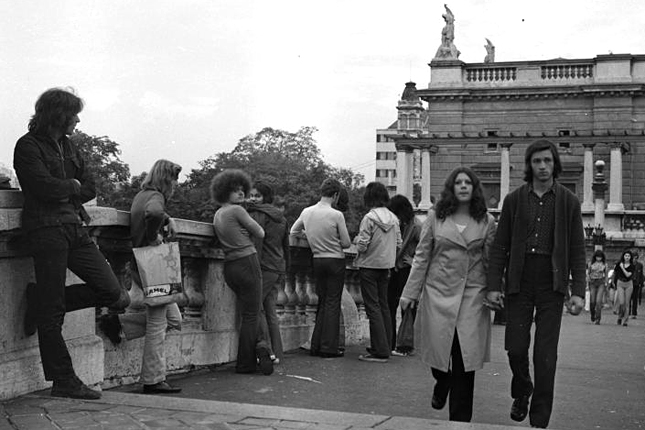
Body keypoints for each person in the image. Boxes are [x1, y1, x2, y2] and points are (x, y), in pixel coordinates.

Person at [13, 87, 129, 400]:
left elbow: (89, 187)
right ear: (58, 115)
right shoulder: (27, 146)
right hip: (45, 229)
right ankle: (63, 380)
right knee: (53, 314)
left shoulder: (69, 146)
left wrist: (69, 188)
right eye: (73, 114)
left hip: (74, 228)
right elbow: (41, 187)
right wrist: (71, 187)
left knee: (115, 294)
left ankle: (40, 301)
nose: (77, 120)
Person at [486, 139, 586, 429]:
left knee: (545, 355)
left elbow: (578, 250)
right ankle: (522, 390)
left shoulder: (568, 201)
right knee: (515, 348)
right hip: (519, 280)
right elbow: (500, 246)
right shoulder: (515, 200)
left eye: (547, 161)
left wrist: (578, 291)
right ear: (529, 166)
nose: (542, 167)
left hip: (551, 284)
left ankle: (539, 420)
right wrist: (494, 285)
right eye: (537, 161)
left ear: (555, 164)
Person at [400, 167, 496, 422]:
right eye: (458, 182)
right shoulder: (435, 217)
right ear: (451, 188)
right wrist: (410, 292)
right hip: (438, 292)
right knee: (437, 350)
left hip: (472, 295)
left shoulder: (487, 221)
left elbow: (490, 261)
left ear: (475, 188)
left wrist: (496, 291)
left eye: (468, 183)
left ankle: (460, 422)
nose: (463, 186)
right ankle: (442, 381)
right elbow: (422, 256)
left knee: (465, 358)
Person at [98, 159, 183, 394]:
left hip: (140, 262)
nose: (175, 185)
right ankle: (153, 379)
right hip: (154, 263)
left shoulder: (142, 195)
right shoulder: (156, 197)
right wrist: (153, 234)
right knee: (158, 323)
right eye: (174, 180)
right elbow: (154, 211)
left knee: (174, 320)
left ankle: (118, 324)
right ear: (167, 179)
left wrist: (167, 219)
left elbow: (154, 211)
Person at [211, 169, 273, 375]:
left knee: (247, 313)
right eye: (235, 190)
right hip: (247, 261)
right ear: (225, 192)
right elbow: (261, 232)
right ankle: (247, 362)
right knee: (251, 315)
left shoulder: (218, 214)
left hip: (230, 266)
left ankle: (257, 352)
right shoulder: (237, 211)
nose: (240, 194)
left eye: (241, 190)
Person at [290, 178, 351, 358]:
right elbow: (347, 243)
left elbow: (293, 232)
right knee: (333, 303)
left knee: (322, 302)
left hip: (317, 259)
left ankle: (316, 344)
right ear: (336, 195)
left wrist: (310, 235)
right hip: (335, 260)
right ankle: (328, 347)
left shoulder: (307, 212)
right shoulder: (336, 215)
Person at [354, 182, 401, 363]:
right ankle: (386, 345)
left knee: (372, 307)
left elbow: (363, 244)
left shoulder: (369, 218)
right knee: (384, 307)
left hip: (369, 266)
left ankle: (379, 350)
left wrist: (358, 240)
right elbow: (398, 243)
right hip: (386, 266)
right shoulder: (394, 218)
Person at [247, 181, 289, 364]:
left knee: (255, 307)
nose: (253, 199)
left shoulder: (257, 215)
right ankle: (277, 353)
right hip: (278, 267)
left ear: (265, 197)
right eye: (251, 195)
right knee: (270, 310)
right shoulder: (281, 217)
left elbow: (257, 244)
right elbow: (286, 247)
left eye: (257, 196)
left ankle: (268, 351)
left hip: (264, 267)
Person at [386, 195, 421, 356]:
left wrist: (412, 260)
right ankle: (391, 342)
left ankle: (405, 344)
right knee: (390, 305)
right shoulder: (399, 223)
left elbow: (426, 250)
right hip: (395, 268)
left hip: (408, 269)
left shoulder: (417, 226)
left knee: (407, 307)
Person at [613, 250, 634, 326]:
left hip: (629, 284)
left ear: (630, 257)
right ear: (623, 256)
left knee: (627, 303)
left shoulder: (632, 266)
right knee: (622, 302)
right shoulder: (619, 264)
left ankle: (625, 321)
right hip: (620, 283)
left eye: (628, 256)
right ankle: (620, 316)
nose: (627, 257)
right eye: (626, 256)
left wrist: (622, 268)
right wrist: (614, 282)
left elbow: (628, 275)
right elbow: (615, 273)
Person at [587, 250, 608, 325]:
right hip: (592, 283)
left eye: (600, 257)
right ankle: (593, 314)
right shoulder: (591, 264)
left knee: (598, 301)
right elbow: (588, 273)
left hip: (600, 283)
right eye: (597, 257)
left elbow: (606, 275)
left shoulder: (605, 264)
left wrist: (606, 284)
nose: (598, 258)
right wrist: (587, 283)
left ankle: (598, 318)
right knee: (592, 301)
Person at [629, 251, 643, 319]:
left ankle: (634, 313)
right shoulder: (629, 264)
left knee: (635, 299)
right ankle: (628, 312)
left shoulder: (640, 265)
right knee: (628, 298)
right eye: (634, 258)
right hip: (629, 283)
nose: (635, 259)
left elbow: (641, 275)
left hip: (636, 284)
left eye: (636, 258)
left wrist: (641, 283)